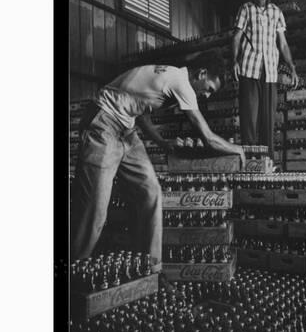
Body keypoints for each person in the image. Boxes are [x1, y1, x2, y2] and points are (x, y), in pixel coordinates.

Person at [70, 50, 245, 272]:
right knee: (94, 211)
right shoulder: (181, 83)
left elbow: (141, 111)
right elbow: (208, 138)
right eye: (209, 89)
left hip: (126, 128)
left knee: (151, 192)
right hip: (103, 123)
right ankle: (72, 273)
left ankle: (151, 269)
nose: (207, 95)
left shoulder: (169, 76)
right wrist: (237, 149)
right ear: (201, 74)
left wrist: (162, 143)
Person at [232, 0, 299, 157]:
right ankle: (250, 163)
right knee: (249, 120)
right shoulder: (245, 9)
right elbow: (236, 37)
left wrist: (292, 68)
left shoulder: (276, 12)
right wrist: (234, 62)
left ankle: (267, 163)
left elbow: (283, 43)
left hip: (270, 72)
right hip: (249, 69)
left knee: (268, 121)